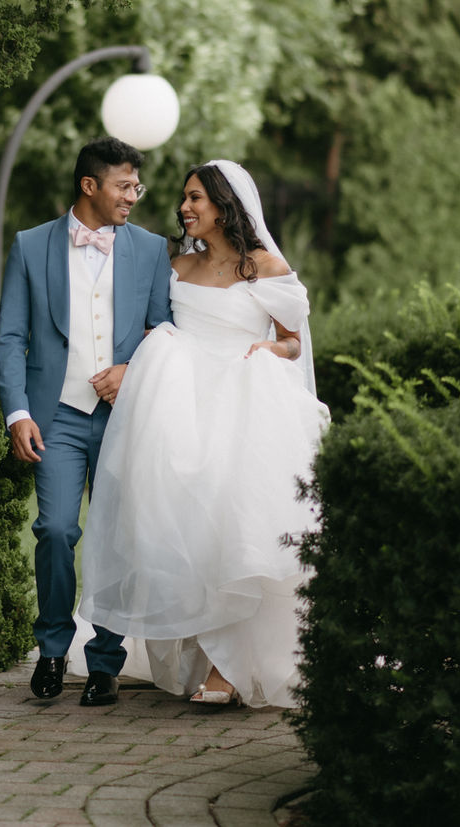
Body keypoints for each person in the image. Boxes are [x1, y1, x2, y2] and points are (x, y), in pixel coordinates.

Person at [78, 160, 330, 708]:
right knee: (184, 529)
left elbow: (293, 341)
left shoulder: (265, 265)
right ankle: (196, 650)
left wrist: (271, 349)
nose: (184, 207)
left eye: (196, 198)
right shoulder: (177, 266)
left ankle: (227, 669)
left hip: (243, 403)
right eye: (184, 198)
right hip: (181, 407)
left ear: (224, 204)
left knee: (235, 528)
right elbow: (152, 325)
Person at [0, 137, 172, 707]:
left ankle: (105, 663)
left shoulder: (151, 249)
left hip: (124, 417)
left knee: (116, 537)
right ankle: (52, 649)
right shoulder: (30, 245)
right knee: (55, 530)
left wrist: (131, 370)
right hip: (58, 416)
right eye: (124, 185)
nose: (134, 196)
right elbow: (11, 337)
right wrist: (18, 412)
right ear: (89, 185)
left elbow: (166, 332)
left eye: (137, 186)